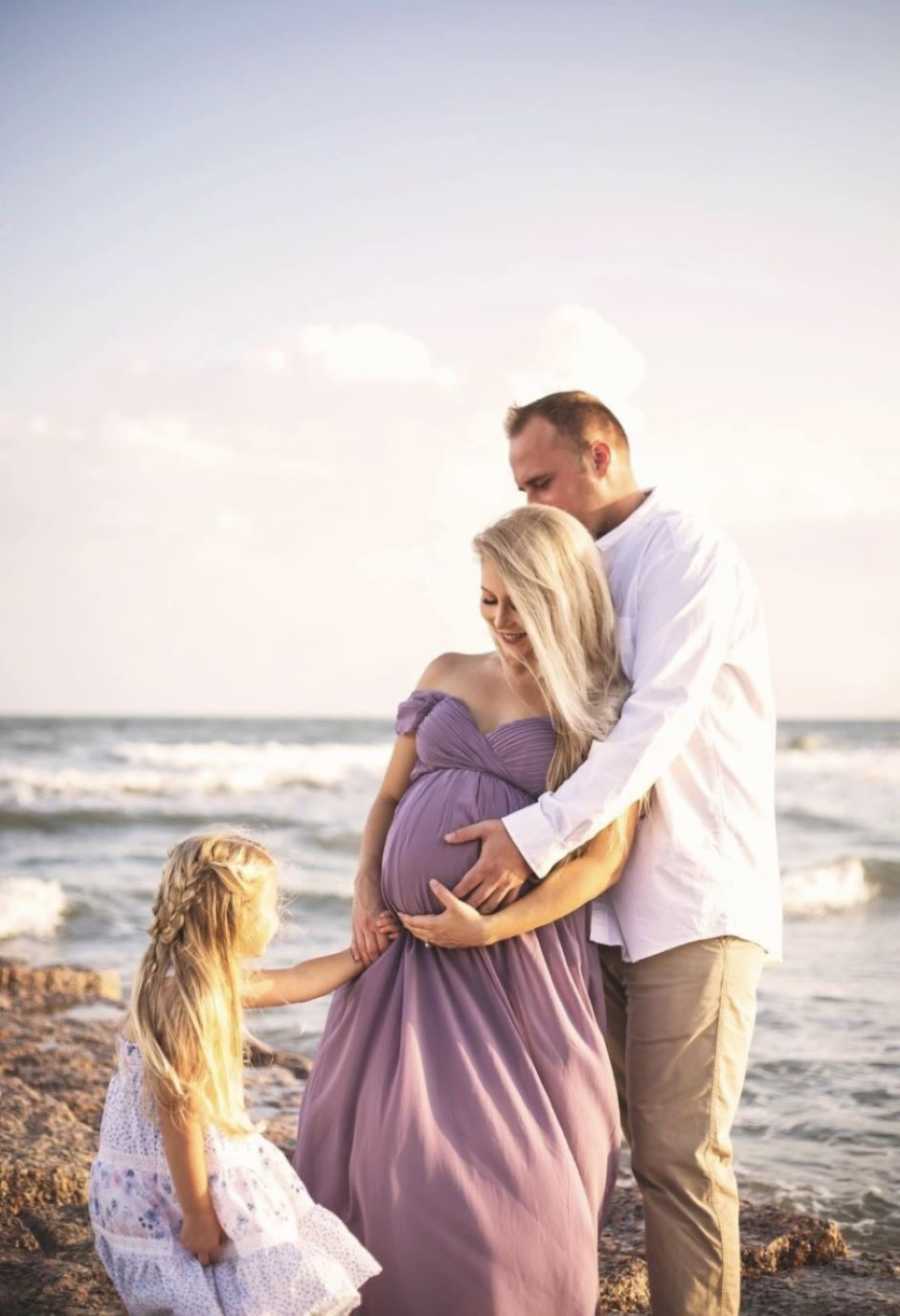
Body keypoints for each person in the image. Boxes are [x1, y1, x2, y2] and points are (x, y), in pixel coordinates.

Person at [443, 391, 782, 1316]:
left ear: (602, 456)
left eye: (542, 481)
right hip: (599, 906)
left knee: (679, 1157)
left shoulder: (688, 557)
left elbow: (654, 724)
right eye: (519, 486)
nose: (533, 505)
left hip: (693, 901)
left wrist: (531, 835)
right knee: (592, 1144)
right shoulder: (576, 568)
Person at [294, 505, 640, 1316]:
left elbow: (604, 857)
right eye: (489, 601)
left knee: (526, 1168)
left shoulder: (597, 704)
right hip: (402, 958)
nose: (502, 622)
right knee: (382, 1149)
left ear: (562, 596)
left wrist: (491, 926)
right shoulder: (446, 669)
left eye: (519, 602)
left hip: (511, 963)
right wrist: (365, 890)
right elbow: (387, 798)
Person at [89, 832, 386, 1316]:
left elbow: (297, 980)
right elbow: (178, 1115)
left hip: (155, 1180)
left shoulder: (200, 982)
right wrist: (199, 1214)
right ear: (234, 917)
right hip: (178, 1186)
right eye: (270, 905)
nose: (278, 917)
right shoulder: (189, 1005)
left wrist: (362, 954)